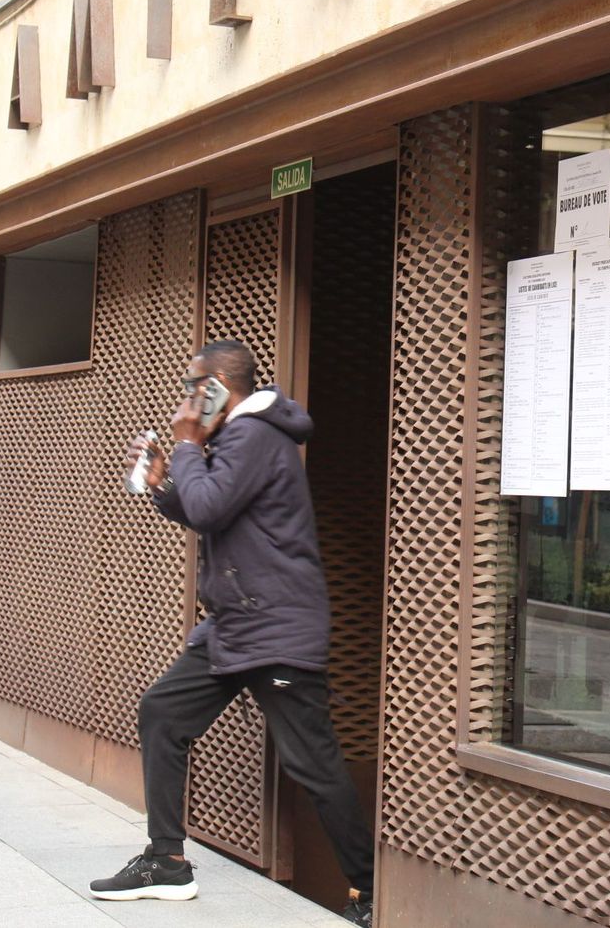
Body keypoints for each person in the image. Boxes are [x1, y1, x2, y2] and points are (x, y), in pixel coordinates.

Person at [88, 340, 374, 927]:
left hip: (275, 628)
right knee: (163, 713)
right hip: (237, 625)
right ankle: (167, 861)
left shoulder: (254, 436)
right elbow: (204, 509)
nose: (188, 399)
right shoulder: (240, 440)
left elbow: (212, 508)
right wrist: (167, 483)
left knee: (314, 764)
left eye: (195, 386)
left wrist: (189, 447)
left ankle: (369, 891)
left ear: (219, 386)